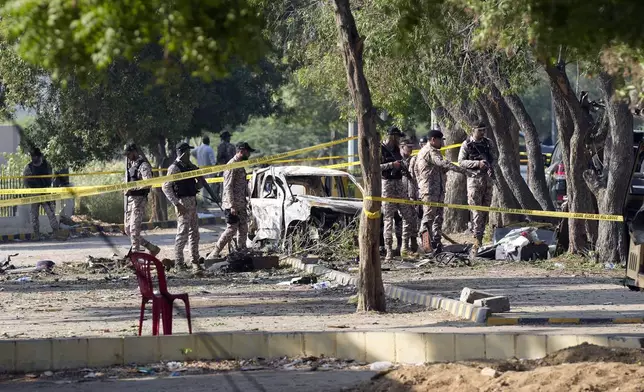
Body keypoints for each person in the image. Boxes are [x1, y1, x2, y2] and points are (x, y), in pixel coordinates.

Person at [417, 130, 471, 254]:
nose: (442, 142)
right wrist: (463, 170)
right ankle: (426, 245)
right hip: (430, 191)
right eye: (440, 140)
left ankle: (436, 243)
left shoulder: (432, 152)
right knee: (428, 218)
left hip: (438, 190)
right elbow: (443, 163)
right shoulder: (430, 151)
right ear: (433, 140)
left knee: (438, 218)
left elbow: (439, 169)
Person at [209, 142, 255, 258]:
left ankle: (241, 251)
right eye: (248, 152)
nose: (249, 155)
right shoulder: (232, 165)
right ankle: (215, 252)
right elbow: (228, 186)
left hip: (241, 204)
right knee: (231, 229)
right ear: (242, 151)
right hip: (233, 205)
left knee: (243, 228)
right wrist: (232, 205)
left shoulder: (239, 165)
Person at [162, 142, 204, 270]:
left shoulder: (189, 166)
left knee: (195, 234)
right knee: (182, 234)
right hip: (182, 203)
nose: (190, 155)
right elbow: (165, 187)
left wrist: (197, 179)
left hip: (192, 201)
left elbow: (199, 183)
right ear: (184, 153)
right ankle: (179, 263)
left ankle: (195, 261)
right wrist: (176, 203)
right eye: (188, 152)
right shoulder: (174, 168)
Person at [458, 122, 497, 254]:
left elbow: (494, 158)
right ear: (473, 130)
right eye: (480, 130)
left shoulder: (488, 143)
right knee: (476, 212)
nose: (482, 133)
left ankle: (481, 236)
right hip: (474, 181)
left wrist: (491, 167)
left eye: (484, 130)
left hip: (487, 181)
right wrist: (477, 163)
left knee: (485, 211)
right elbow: (461, 162)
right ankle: (477, 240)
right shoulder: (467, 144)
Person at [380, 126, 418, 261]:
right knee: (388, 219)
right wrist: (391, 165)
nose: (399, 140)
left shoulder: (397, 149)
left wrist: (402, 168)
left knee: (409, 215)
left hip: (399, 183)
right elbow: (375, 167)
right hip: (387, 185)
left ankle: (404, 247)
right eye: (397, 137)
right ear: (392, 136)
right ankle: (389, 250)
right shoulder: (381, 149)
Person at [123, 143, 160, 256]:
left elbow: (148, 183)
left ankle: (135, 256)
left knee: (134, 229)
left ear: (134, 151)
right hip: (130, 200)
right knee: (128, 229)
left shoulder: (143, 165)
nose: (127, 156)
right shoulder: (131, 165)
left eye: (129, 154)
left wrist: (132, 188)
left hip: (139, 200)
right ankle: (151, 247)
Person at [23, 148, 63, 240]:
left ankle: (55, 232)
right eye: (32, 156)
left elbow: (50, 178)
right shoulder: (28, 167)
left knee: (51, 213)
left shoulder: (46, 165)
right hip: (34, 194)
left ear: (39, 156)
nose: (33, 158)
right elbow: (26, 181)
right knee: (34, 215)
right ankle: (37, 234)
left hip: (45, 192)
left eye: (35, 156)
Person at [399, 138, 418, 252]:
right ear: (402, 147)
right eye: (408, 147)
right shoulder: (396, 160)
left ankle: (413, 245)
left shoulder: (413, 160)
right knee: (401, 222)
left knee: (413, 221)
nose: (411, 149)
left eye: (412, 147)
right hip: (398, 194)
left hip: (412, 193)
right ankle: (402, 245)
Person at [191, 136, 216, 204]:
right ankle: (207, 199)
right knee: (209, 184)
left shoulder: (199, 148)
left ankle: (204, 199)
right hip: (209, 169)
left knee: (203, 183)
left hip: (201, 168)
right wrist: (216, 168)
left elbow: (192, 152)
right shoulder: (209, 148)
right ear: (208, 141)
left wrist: (197, 157)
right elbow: (213, 161)